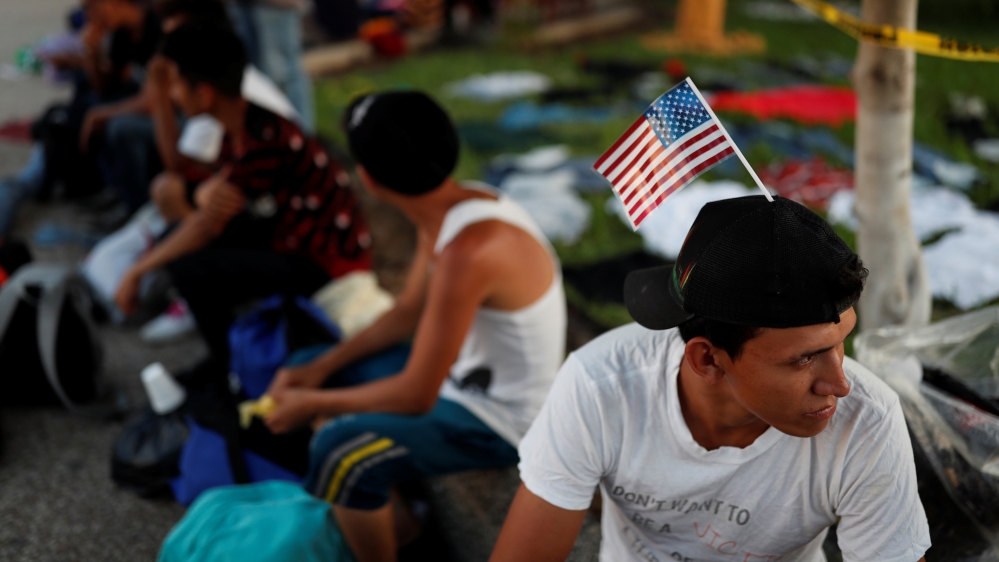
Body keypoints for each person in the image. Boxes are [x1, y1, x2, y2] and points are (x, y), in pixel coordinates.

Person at [490, 196, 931, 562]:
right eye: (803, 359)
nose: (839, 384)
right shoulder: (601, 387)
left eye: (840, 343)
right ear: (707, 360)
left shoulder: (866, 423)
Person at [261, 91, 566, 562]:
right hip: (458, 382)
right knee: (307, 362)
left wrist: (312, 403)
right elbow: (405, 313)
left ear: (368, 179)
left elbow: (415, 395)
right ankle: (397, 524)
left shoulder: (470, 250)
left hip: (501, 420)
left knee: (339, 452)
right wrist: (320, 370)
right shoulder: (455, 206)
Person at [114, 21, 371, 375]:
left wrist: (137, 271)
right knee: (177, 241)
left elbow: (205, 226)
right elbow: (201, 183)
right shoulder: (243, 122)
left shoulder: (264, 137)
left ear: (203, 94)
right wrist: (207, 188)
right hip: (287, 236)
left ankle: (230, 370)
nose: (170, 93)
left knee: (189, 261)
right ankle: (237, 349)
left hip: (324, 264)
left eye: (173, 84)